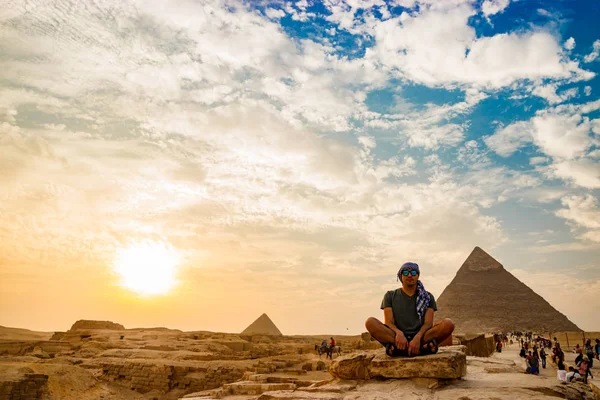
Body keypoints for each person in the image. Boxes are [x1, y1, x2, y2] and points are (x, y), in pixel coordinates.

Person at [365, 262, 455, 357]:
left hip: (422, 337)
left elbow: (428, 323)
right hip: (396, 337)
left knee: (448, 324)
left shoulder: (427, 297)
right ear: (400, 276)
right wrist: (399, 333)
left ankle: (400, 349)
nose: (409, 275)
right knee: (370, 322)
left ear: (418, 276)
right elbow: (389, 322)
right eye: (405, 273)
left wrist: (417, 337)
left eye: (413, 273)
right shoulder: (390, 296)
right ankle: (420, 349)